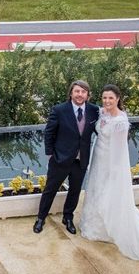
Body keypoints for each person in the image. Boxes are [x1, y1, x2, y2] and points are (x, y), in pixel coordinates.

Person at [79, 84, 139, 266]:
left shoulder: (120, 122)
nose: (107, 101)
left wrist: (113, 172)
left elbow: (119, 152)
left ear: (118, 98)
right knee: (95, 190)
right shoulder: (102, 113)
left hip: (111, 165)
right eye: (104, 98)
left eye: (111, 98)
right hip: (98, 158)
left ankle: (106, 230)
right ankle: (91, 225)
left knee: (106, 193)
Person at [33, 80, 100, 234]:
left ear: (87, 95)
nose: (80, 94)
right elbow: (49, 132)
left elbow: (101, 130)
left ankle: (67, 217)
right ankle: (41, 218)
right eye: (77, 91)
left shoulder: (94, 110)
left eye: (83, 92)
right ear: (71, 93)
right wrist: (50, 154)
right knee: (50, 190)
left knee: (75, 191)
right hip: (60, 159)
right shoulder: (59, 110)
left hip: (80, 160)